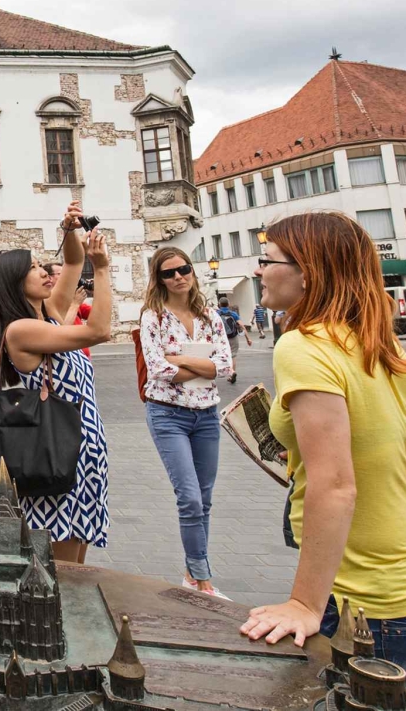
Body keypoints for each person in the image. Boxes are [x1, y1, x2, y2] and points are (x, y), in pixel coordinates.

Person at [241, 213, 406, 702]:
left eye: (267, 260)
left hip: (367, 603)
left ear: (307, 272)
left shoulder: (302, 345)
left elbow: (336, 484)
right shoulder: (374, 334)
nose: (258, 271)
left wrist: (303, 604)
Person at [0, 203, 112, 564]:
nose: (45, 272)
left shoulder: (51, 316)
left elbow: (72, 264)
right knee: (63, 571)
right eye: (33, 269)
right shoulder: (21, 329)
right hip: (55, 457)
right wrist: (102, 269)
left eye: (42, 266)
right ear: (14, 282)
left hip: (84, 455)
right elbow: (99, 331)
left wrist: (69, 230)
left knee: (78, 562)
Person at [139, 247, 235, 597]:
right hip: (168, 415)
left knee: (204, 499)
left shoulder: (209, 316)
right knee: (190, 499)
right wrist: (199, 364)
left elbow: (225, 367)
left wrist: (178, 358)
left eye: (184, 269)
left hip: (207, 415)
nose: (179, 276)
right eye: (169, 273)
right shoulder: (153, 317)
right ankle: (203, 581)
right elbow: (158, 371)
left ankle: (191, 575)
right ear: (159, 279)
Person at [216, 296, 251, 384]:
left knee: (222, 354)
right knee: (233, 355)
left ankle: (224, 371)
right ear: (228, 304)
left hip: (221, 338)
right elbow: (242, 326)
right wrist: (248, 338)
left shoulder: (216, 313)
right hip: (233, 337)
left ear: (219, 304)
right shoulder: (233, 314)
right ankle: (232, 373)